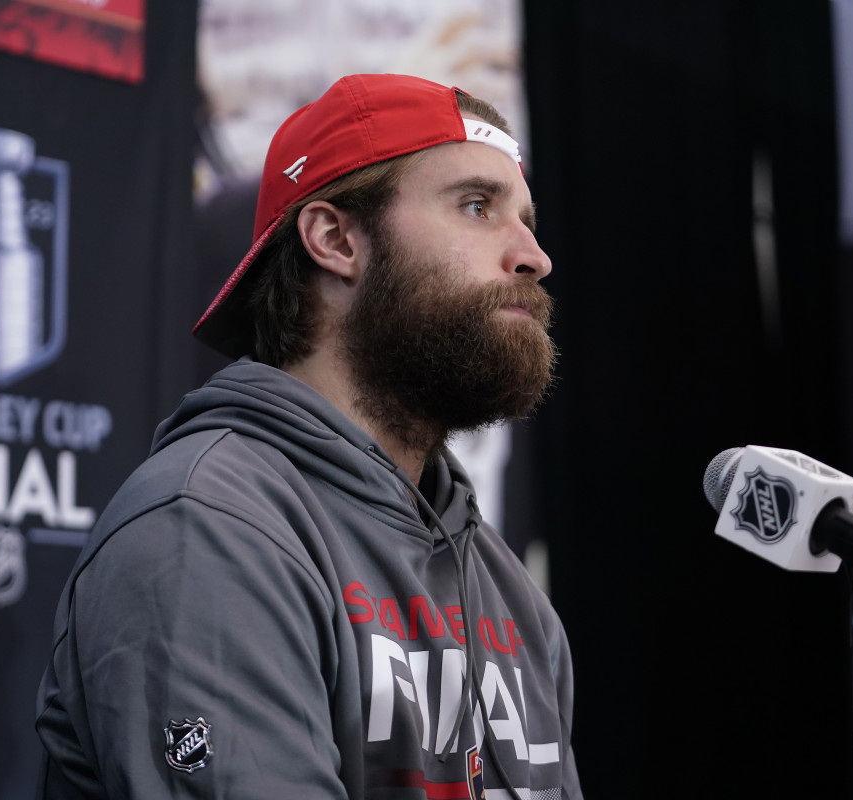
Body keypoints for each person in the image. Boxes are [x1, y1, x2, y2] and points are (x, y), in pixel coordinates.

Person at [36, 73, 583, 799]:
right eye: (478, 207)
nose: (532, 256)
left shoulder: (505, 588)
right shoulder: (208, 531)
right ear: (335, 239)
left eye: (528, 219)